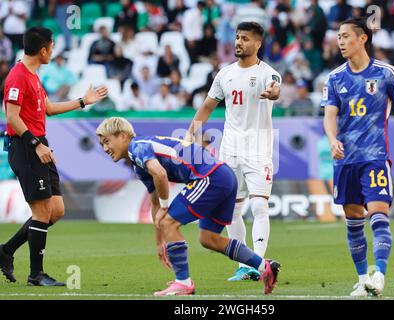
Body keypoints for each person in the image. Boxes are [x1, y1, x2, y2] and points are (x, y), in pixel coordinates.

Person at [95, 117, 280, 296]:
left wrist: (166, 208)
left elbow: (160, 175)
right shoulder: (139, 163)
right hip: (223, 176)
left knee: (169, 222)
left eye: (106, 141)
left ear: (122, 136)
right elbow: (154, 202)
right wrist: (159, 241)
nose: (105, 148)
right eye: (102, 144)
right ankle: (265, 267)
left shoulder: (137, 147)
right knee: (209, 238)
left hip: (210, 177)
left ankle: (183, 283)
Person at [322, 18, 394, 297]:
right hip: (345, 161)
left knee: (379, 215)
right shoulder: (334, 78)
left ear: (362, 38)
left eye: (345, 36)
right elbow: (329, 115)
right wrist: (332, 140)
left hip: (375, 157)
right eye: (338, 36)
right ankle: (361, 279)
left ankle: (379, 274)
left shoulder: (386, 73)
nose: (340, 41)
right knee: (354, 220)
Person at [0, 27, 108, 286]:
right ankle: (36, 274)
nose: (53, 51)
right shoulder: (17, 76)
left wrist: (83, 101)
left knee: (56, 210)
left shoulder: (34, 76)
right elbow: (11, 116)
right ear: (43, 50)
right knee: (42, 210)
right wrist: (36, 144)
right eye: (51, 47)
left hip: (39, 145)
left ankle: (5, 251)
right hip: (26, 147)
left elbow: (47, 108)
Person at [185, 22, 281, 281]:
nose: (238, 42)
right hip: (230, 150)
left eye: (245, 39)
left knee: (260, 205)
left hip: (259, 150)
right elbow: (206, 107)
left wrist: (272, 93)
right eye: (237, 38)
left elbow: (275, 88)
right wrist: (189, 134)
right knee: (233, 210)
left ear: (258, 44)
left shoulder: (267, 73)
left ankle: (259, 264)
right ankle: (243, 265)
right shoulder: (224, 74)